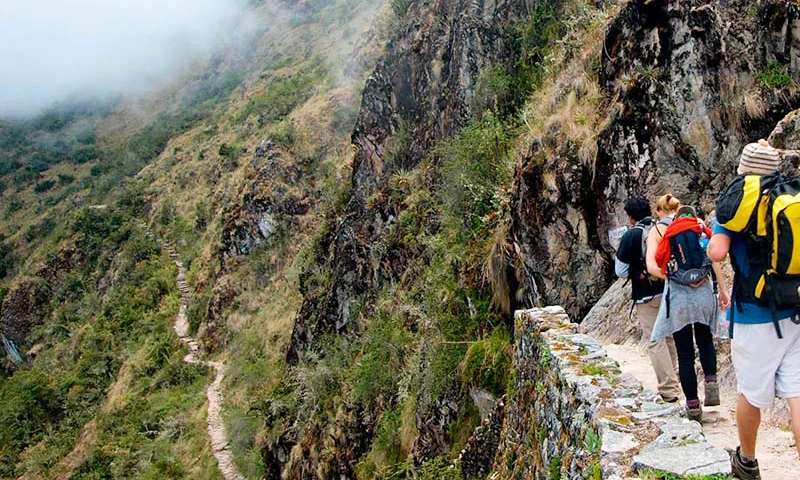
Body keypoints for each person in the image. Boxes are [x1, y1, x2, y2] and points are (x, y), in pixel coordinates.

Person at [708, 140, 800, 480]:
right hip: (794, 309)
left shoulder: (739, 200)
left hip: (754, 315)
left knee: (750, 393)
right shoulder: (791, 196)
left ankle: (746, 462)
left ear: (744, 169)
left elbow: (717, 252)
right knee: (798, 395)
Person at [645, 194, 729, 423]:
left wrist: (676, 277)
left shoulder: (663, 232)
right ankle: (711, 384)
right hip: (703, 295)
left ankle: (692, 405)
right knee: (705, 341)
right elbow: (714, 260)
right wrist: (722, 290)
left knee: (684, 352)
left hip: (679, 300)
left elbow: (654, 265)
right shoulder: (700, 229)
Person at [615, 197, 681, 403]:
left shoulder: (631, 236)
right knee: (669, 337)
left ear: (630, 216)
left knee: (655, 340)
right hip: (670, 289)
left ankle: (669, 390)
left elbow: (621, 270)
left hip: (646, 294)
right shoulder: (660, 228)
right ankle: (677, 379)